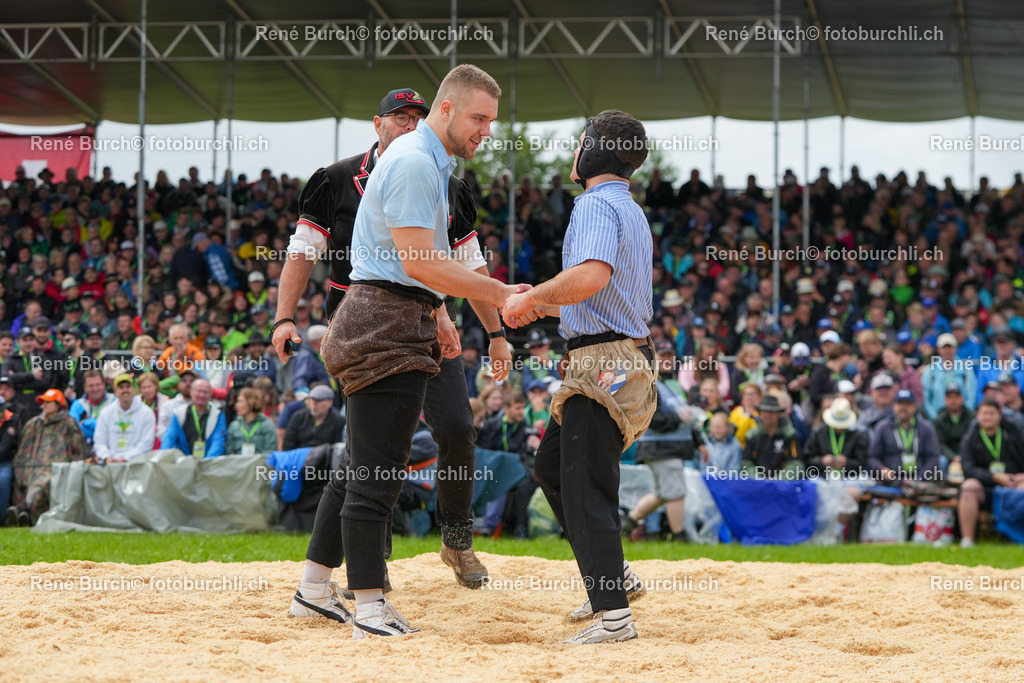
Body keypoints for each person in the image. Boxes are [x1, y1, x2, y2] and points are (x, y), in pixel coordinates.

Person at [280, 69, 519, 639]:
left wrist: (459, 308)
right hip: (385, 320)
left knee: (361, 465)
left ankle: (315, 589)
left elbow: (424, 263)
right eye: (478, 118)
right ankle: (369, 606)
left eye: (490, 120)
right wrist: (502, 296)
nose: (486, 131)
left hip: (385, 316)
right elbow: (419, 263)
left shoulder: (426, 161)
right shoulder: (415, 162)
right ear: (446, 108)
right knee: (375, 473)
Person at [502, 109, 656, 644]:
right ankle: (614, 582)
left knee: (586, 485)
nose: (574, 151)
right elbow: (597, 294)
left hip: (607, 361)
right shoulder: (627, 208)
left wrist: (532, 297)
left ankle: (614, 618)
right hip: (610, 354)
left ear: (594, 149)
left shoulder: (594, 203)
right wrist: (540, 304)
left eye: (580, 141)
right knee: (552, 467)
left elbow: (590, 277)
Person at [622, 340, 707, 541]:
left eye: (670, 355)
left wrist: (700, 442)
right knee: (676, 492)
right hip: (660, 448)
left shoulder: (674, 385)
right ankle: (680, 537)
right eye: (663, 355)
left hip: (671, 447)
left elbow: (688, 418)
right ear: (654, 358)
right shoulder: (649, 383)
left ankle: (625, 524)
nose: (667, 359)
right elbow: (652, 419)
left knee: (663, 493)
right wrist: (678, 417)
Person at [7, 389, 87, 526]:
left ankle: (22, 508)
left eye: (48, 402)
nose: (44, 405)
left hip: (57, 468)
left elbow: (78, 451)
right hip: (33, 467)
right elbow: (23, 451)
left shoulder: (69, 424)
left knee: (45, 479)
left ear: (58, 405)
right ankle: (25, 514)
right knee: (29, 478)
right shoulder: (33, 424)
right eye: (43, 402)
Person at [956, 399, 1024, 547]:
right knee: (968, 487)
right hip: (985, 487)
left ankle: (1017, 538)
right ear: (978, 416)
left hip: (1013, 485)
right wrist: (994, 477)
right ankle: (967, 540)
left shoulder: (1014, 432)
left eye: (992, 413)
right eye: (984, 413)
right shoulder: (970, 438)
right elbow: (968, 469)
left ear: (1000, 415)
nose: (987, 417)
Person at [868, 389, 940, 484]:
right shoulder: (883, 427)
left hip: (919, 480)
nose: (903, 407)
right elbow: (873, 457)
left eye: (907, 404)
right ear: (894, 406)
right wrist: (882, 469)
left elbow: (933, 458)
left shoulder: (926, 428)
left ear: (914, 407)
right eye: (900, 404)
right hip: (891, 480)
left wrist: (918, 479)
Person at [92, 373, 156, 462]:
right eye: (121, 387)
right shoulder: (106, 412)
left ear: (134, 390)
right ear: (115, 391)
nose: (125, 390)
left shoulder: (147, 413)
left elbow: (146, 444)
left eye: (128, 386)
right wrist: (106, 457)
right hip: (110, 464)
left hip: (136, 464)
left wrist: (125, 458)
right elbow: (99, 441)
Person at [741, 395, 802, 478]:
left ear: (778, 413)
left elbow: (796, 463)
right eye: (765, 411)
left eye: (772, 412)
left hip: (783, 484)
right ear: (760, 412)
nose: (768, 415)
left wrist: (777, 480)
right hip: (758, 483)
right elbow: (746, 462)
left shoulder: (790, 435)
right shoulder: (751, 435)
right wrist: (758, 479)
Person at [162, 378, 226, 458]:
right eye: (199, 391)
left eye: (205, 392)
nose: (202, 395)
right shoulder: (178, 413)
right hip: (184, 462)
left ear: (210, 394)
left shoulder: (217, 414)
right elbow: (169, 439)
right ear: (191, 392)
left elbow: (218, 442)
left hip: (209, 463)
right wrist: (162, 458)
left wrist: (207, 463)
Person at [921, 333, 977, 420]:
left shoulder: (967, 370)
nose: (947, 350)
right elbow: (926, 397)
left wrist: (964, 417)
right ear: (939, 349)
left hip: (963, 420)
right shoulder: (930, 370)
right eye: (944, 347)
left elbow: (971, 395)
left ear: (956, 348)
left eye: (950, 347)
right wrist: (936, 419)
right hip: (938, 419)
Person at [281, 384, 344, 451]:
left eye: (319, 400)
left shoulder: (339, 422)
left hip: (326, 458)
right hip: (300, 459)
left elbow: (338, 449)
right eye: (311, 399)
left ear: (330, 403)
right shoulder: (298, 417)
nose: (314, 404)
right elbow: (287, 446)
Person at [68, 369, 115, 446]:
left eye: (98, 384)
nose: (95, 389)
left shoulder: (114, 402)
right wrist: (103, 426)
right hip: (84, 449)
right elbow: (72, 431)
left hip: (109, 448)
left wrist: (86, 423)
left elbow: (115, 428)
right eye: (91, 386)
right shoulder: (78, 404)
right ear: (85, 388)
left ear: (104, 385)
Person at [225, 387, 278, 455]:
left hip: (260, 464)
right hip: (238, 464)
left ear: (251, 402)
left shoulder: (267, 424)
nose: (236, 405)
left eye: (240, 401)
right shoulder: (234, 425)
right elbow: (229, 452)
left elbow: (270, 451)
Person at [934, 383, 974, 470]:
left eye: (956, 397)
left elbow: (973, 440)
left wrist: (964, 456)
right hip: (948, 455)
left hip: (967, 453)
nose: (953, 400)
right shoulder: (939, 419)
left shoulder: (971, 418)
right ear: (945, 400)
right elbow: (940, 443)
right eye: (950, 397)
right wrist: (952, 457)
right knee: (941, 461)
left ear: (962, 398)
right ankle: (942, 482)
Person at [0, 376, 23, 518]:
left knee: (3, 479)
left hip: (6, 462)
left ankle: (1, 517)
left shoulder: (12, 420)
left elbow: (5, 448)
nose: (2, 413)